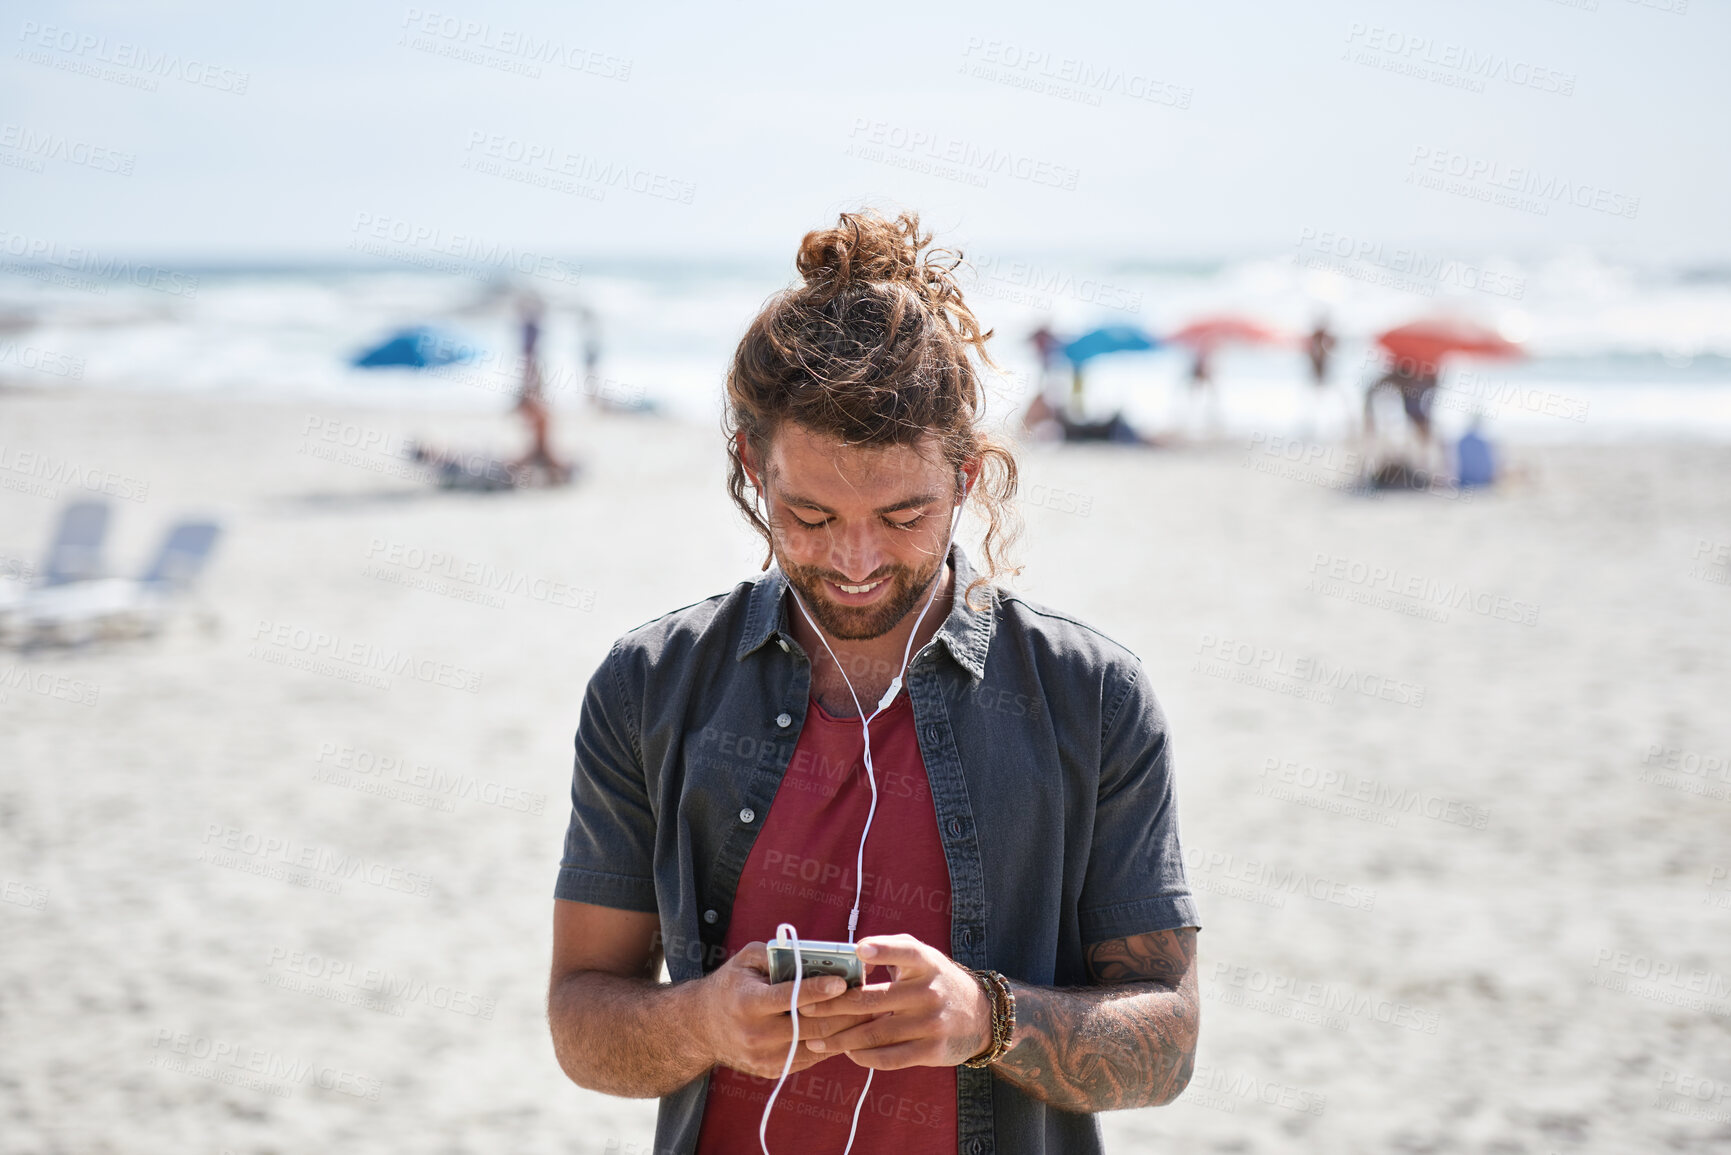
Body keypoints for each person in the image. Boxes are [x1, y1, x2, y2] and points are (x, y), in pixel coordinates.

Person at [547, 209, 1201, 1155]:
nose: (855, 560)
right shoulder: (649, 685)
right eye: (808, 514)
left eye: (902, 514)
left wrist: (989, 1018)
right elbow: (580, 1016)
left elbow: (1168, 1046)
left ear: (967, 476)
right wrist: (701, 1022)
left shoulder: (1090, 696)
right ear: (750, 467)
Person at [508, 291, 575, 485]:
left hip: (532, 374)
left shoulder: (530, 332)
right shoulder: (532, 332)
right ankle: (553, 472)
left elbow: (529, 355)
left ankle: (553, 471)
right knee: (541, 435)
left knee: (541, 435)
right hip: (532, 374)